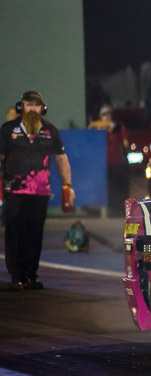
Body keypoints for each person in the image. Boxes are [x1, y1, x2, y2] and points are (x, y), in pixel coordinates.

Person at [0, 91, 74, 290]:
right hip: (14, 190)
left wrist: (68, 185)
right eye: (29, 105)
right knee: (15, 232)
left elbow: (61, 159)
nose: (32, 109)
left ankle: (31, 275)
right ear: (21, 107)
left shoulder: (50, 131)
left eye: (36, 105)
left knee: (35, 233)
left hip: (40, 191)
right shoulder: (8, 130)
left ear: (43, 108)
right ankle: (17, 276)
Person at [88, 105, 129, 216]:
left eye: (109, 114)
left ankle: (119, 210)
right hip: (102, 164)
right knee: (106, 188)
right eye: (104, 115)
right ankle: (107, 210)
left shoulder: (118, 126)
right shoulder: (97, 128)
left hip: (118, 163)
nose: (107, 117)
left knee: (118, 187)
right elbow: (91, 129)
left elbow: (125, 142)